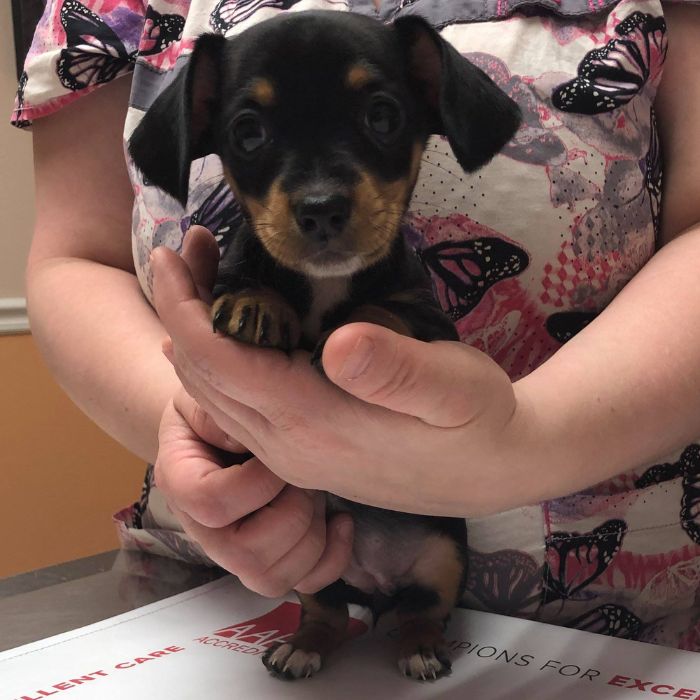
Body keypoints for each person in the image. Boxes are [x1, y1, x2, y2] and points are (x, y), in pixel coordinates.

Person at [13, 0, 700, 648]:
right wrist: (205, 419)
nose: (318, 196)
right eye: (250, 131)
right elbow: (77, 258)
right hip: (234, 589)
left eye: (378, 117)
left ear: (432, 104)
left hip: (609, 620)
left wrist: (530, 443)